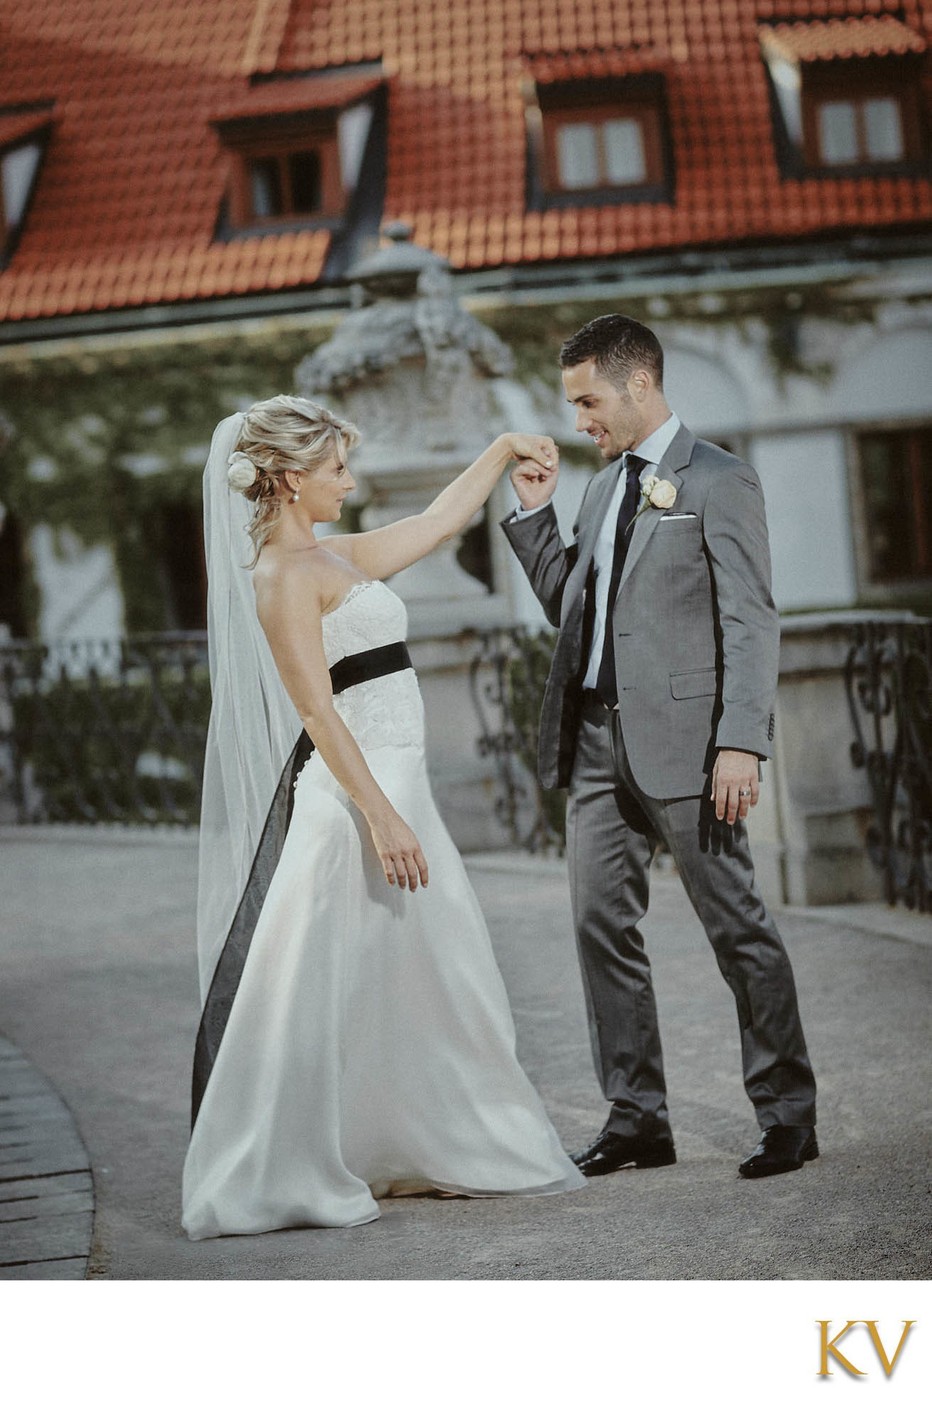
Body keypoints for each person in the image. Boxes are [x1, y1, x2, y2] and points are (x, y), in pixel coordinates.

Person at [181, 394, 584, 1239]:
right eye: (335, 469)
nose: (349, 481)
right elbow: (319, 715)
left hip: (402, 795)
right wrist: (381, 818)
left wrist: (502, 447)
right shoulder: (280, 577)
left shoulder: (338, 555)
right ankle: (282, 1165)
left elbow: (439, 523)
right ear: (290, 480)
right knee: (324, 988)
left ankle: (419, 1140)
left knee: (429, 977)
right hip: (353, 810)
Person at [501, 314, 817, 1181]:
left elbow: (752, 620)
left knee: (735, 927)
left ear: (638, 382)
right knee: (600, 924)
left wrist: (741, 744)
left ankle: (789, 1114)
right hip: (597, 746)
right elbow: (575, 610)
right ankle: (638, 1118)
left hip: (692, 748)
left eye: (588, 400)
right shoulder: (602, 489)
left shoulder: (720, 480)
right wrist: (536, 517)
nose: (579, 421)